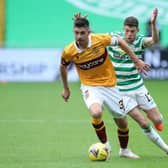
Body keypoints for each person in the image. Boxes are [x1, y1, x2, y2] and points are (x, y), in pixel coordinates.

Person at [60, 13, 150, 159]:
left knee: (121, 121)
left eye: (82, 33)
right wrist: (66, 88)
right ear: (73, 32)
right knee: (96, 112)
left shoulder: (99, 40)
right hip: (90, 86)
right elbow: (63, 67)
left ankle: (124, 150)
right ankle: (105, 146)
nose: (79, 36)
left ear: (88, 32)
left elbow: (120, 42)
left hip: (110, 86)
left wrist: (136, 60)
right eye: (76, 33)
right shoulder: (69, 51)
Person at [108, 8, 168, 154]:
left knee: (158, 120)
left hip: (139, 88)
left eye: (132, 31)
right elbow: (92, 38)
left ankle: (147, 110)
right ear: (123, 29)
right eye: (127, 30)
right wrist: (80, 23)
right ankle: (166, 149)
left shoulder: (140, 41)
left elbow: (155, 40)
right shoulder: (113, 38)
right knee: (144, 123)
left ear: (137, 30)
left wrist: (153, 24)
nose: (129, 34)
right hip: (122, 93)